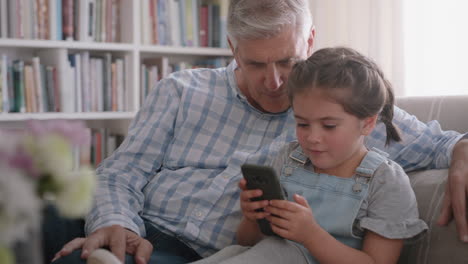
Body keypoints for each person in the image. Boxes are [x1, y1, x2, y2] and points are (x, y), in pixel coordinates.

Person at [51, 0, 468, 263]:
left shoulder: (344, 110)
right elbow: (122, 170)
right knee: (46, 209)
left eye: (288, 61)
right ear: (233, 49)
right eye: (255, 64)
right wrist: (119, 222)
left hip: (200, 251)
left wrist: (462, 154)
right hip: (142, 223)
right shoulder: (180, 89)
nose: (275, 82)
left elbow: (448, 143)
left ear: (311, 39)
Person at [190, 46, 428, 264]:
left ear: (367, 124)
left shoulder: (386, 182)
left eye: (329, 126)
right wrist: (252, 218)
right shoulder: (288, 159)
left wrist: (311, 235)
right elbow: (246, 243)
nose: (313, 137)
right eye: (303, 124)